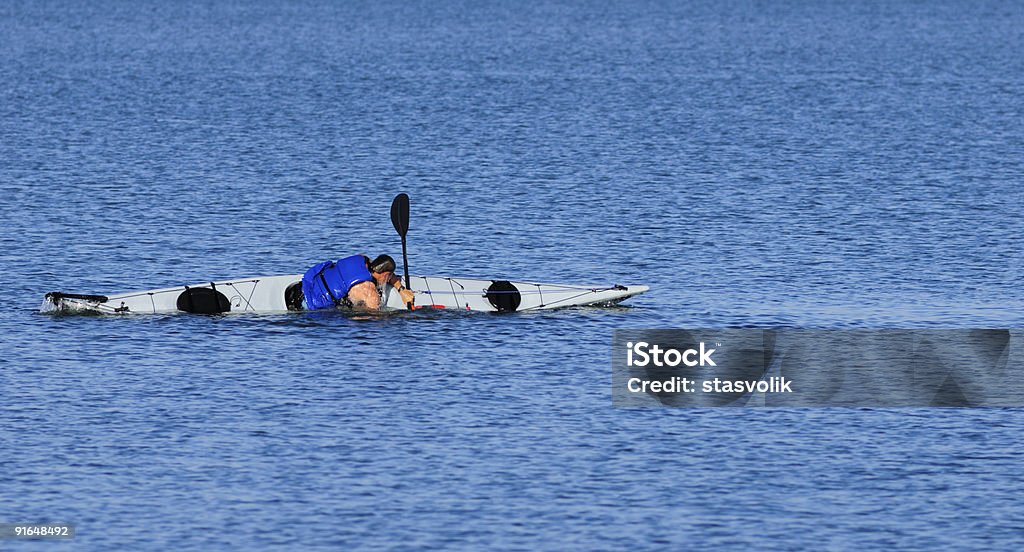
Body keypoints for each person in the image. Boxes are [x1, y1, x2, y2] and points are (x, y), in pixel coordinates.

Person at [301, 254, 415, 310]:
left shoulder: (362, 258)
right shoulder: (369, 292)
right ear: (386, 275)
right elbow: (375, 319)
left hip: (307, 284)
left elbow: (388, 274)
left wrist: (402, 290)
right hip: (311, 303)